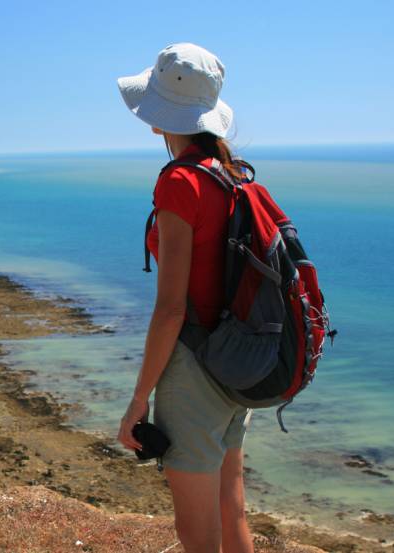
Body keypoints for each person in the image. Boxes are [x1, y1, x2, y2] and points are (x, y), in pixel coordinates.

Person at [113, 43, 255, 553]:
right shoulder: (232, 175)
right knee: (230, 507)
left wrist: (137, 401)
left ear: (158, 118)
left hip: (194, 369)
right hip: (238, 362)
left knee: (196, 533)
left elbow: (171, 307)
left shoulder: (180, 183)